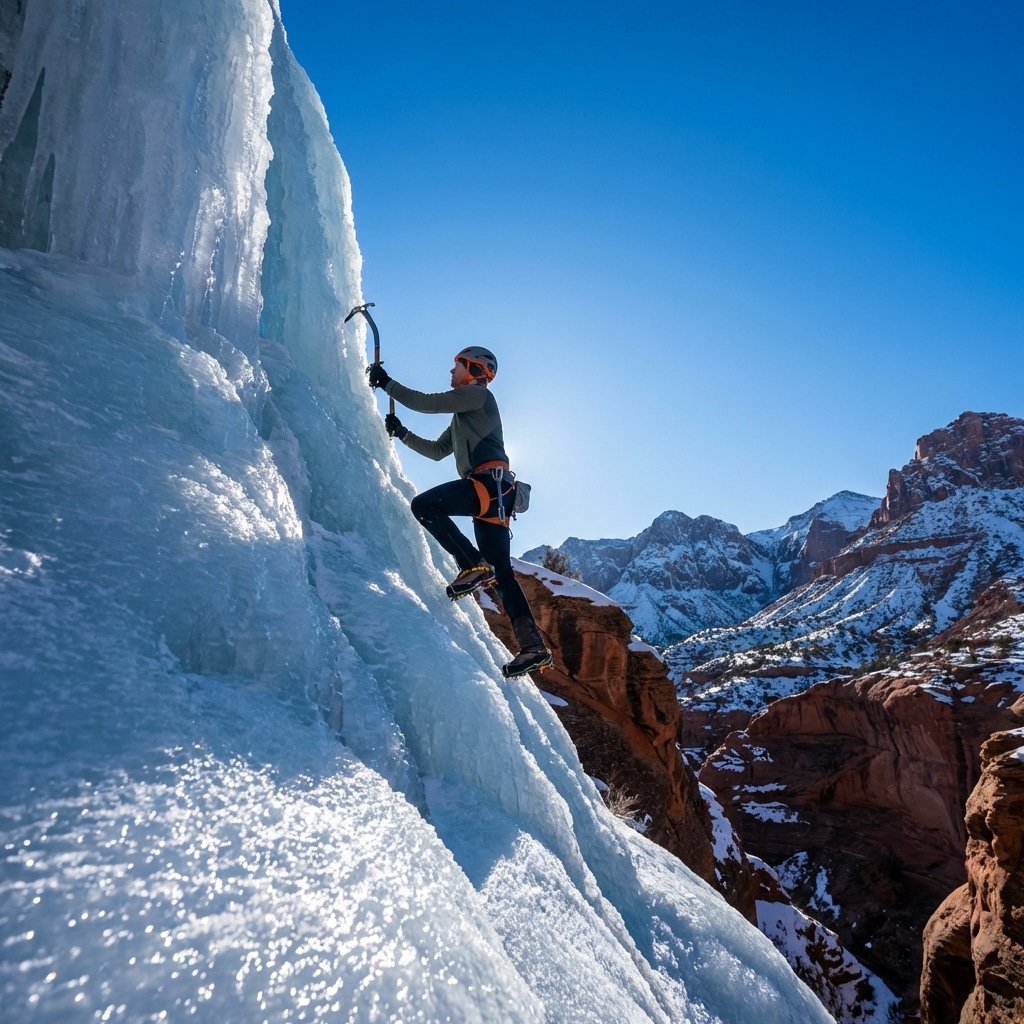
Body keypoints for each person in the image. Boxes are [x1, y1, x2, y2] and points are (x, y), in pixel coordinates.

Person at [367, 347, 553, 678]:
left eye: (456, 366)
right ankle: (532, 647)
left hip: (487, 485)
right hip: (496, 494)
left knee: (423, 505)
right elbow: (438, 452)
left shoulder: (479, 397)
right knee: (503, 573)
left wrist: (387, 384)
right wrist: (402, 433)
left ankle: (471, 564)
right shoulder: (464, 414)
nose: (450, 371)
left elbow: (429, 403)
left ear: (473, 369)